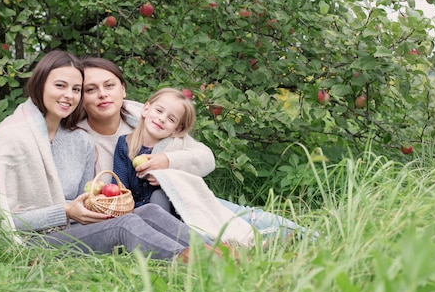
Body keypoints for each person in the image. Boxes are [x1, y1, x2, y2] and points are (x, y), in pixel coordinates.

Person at [0, 50, 215, 262]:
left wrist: (94, 205)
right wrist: (65, 212)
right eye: (60, 86)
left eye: (76, 89)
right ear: (40, 85)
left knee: (149, 211)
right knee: (126, 225)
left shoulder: (79, 140)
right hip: (31, 241)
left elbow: (85, 198)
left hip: (72, 229)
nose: (69, 95)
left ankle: (216, 250)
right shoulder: (13, 138)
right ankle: (199, 263)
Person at [79, 57, 314, 242]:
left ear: (123, 89)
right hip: (134, 212)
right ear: (81, 96)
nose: (102, 94)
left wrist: (167, 161)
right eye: (90, 89)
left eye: (109, 85)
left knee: (239, 215)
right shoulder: (80, 138)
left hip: (180, 198)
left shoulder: (153, 115)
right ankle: (216, 245)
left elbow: (205, 157)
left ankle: (305, 237)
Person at [112, 88, 196, 212]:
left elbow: (185, 182)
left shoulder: (175, 150)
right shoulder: (125, 144)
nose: (162, 119)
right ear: (146, 109)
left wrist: (165, 178)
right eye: (159, 111)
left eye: (171, 119)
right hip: (132, 211)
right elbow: (119, 183)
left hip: (167, 212)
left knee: (159, 195)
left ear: (176, 129)